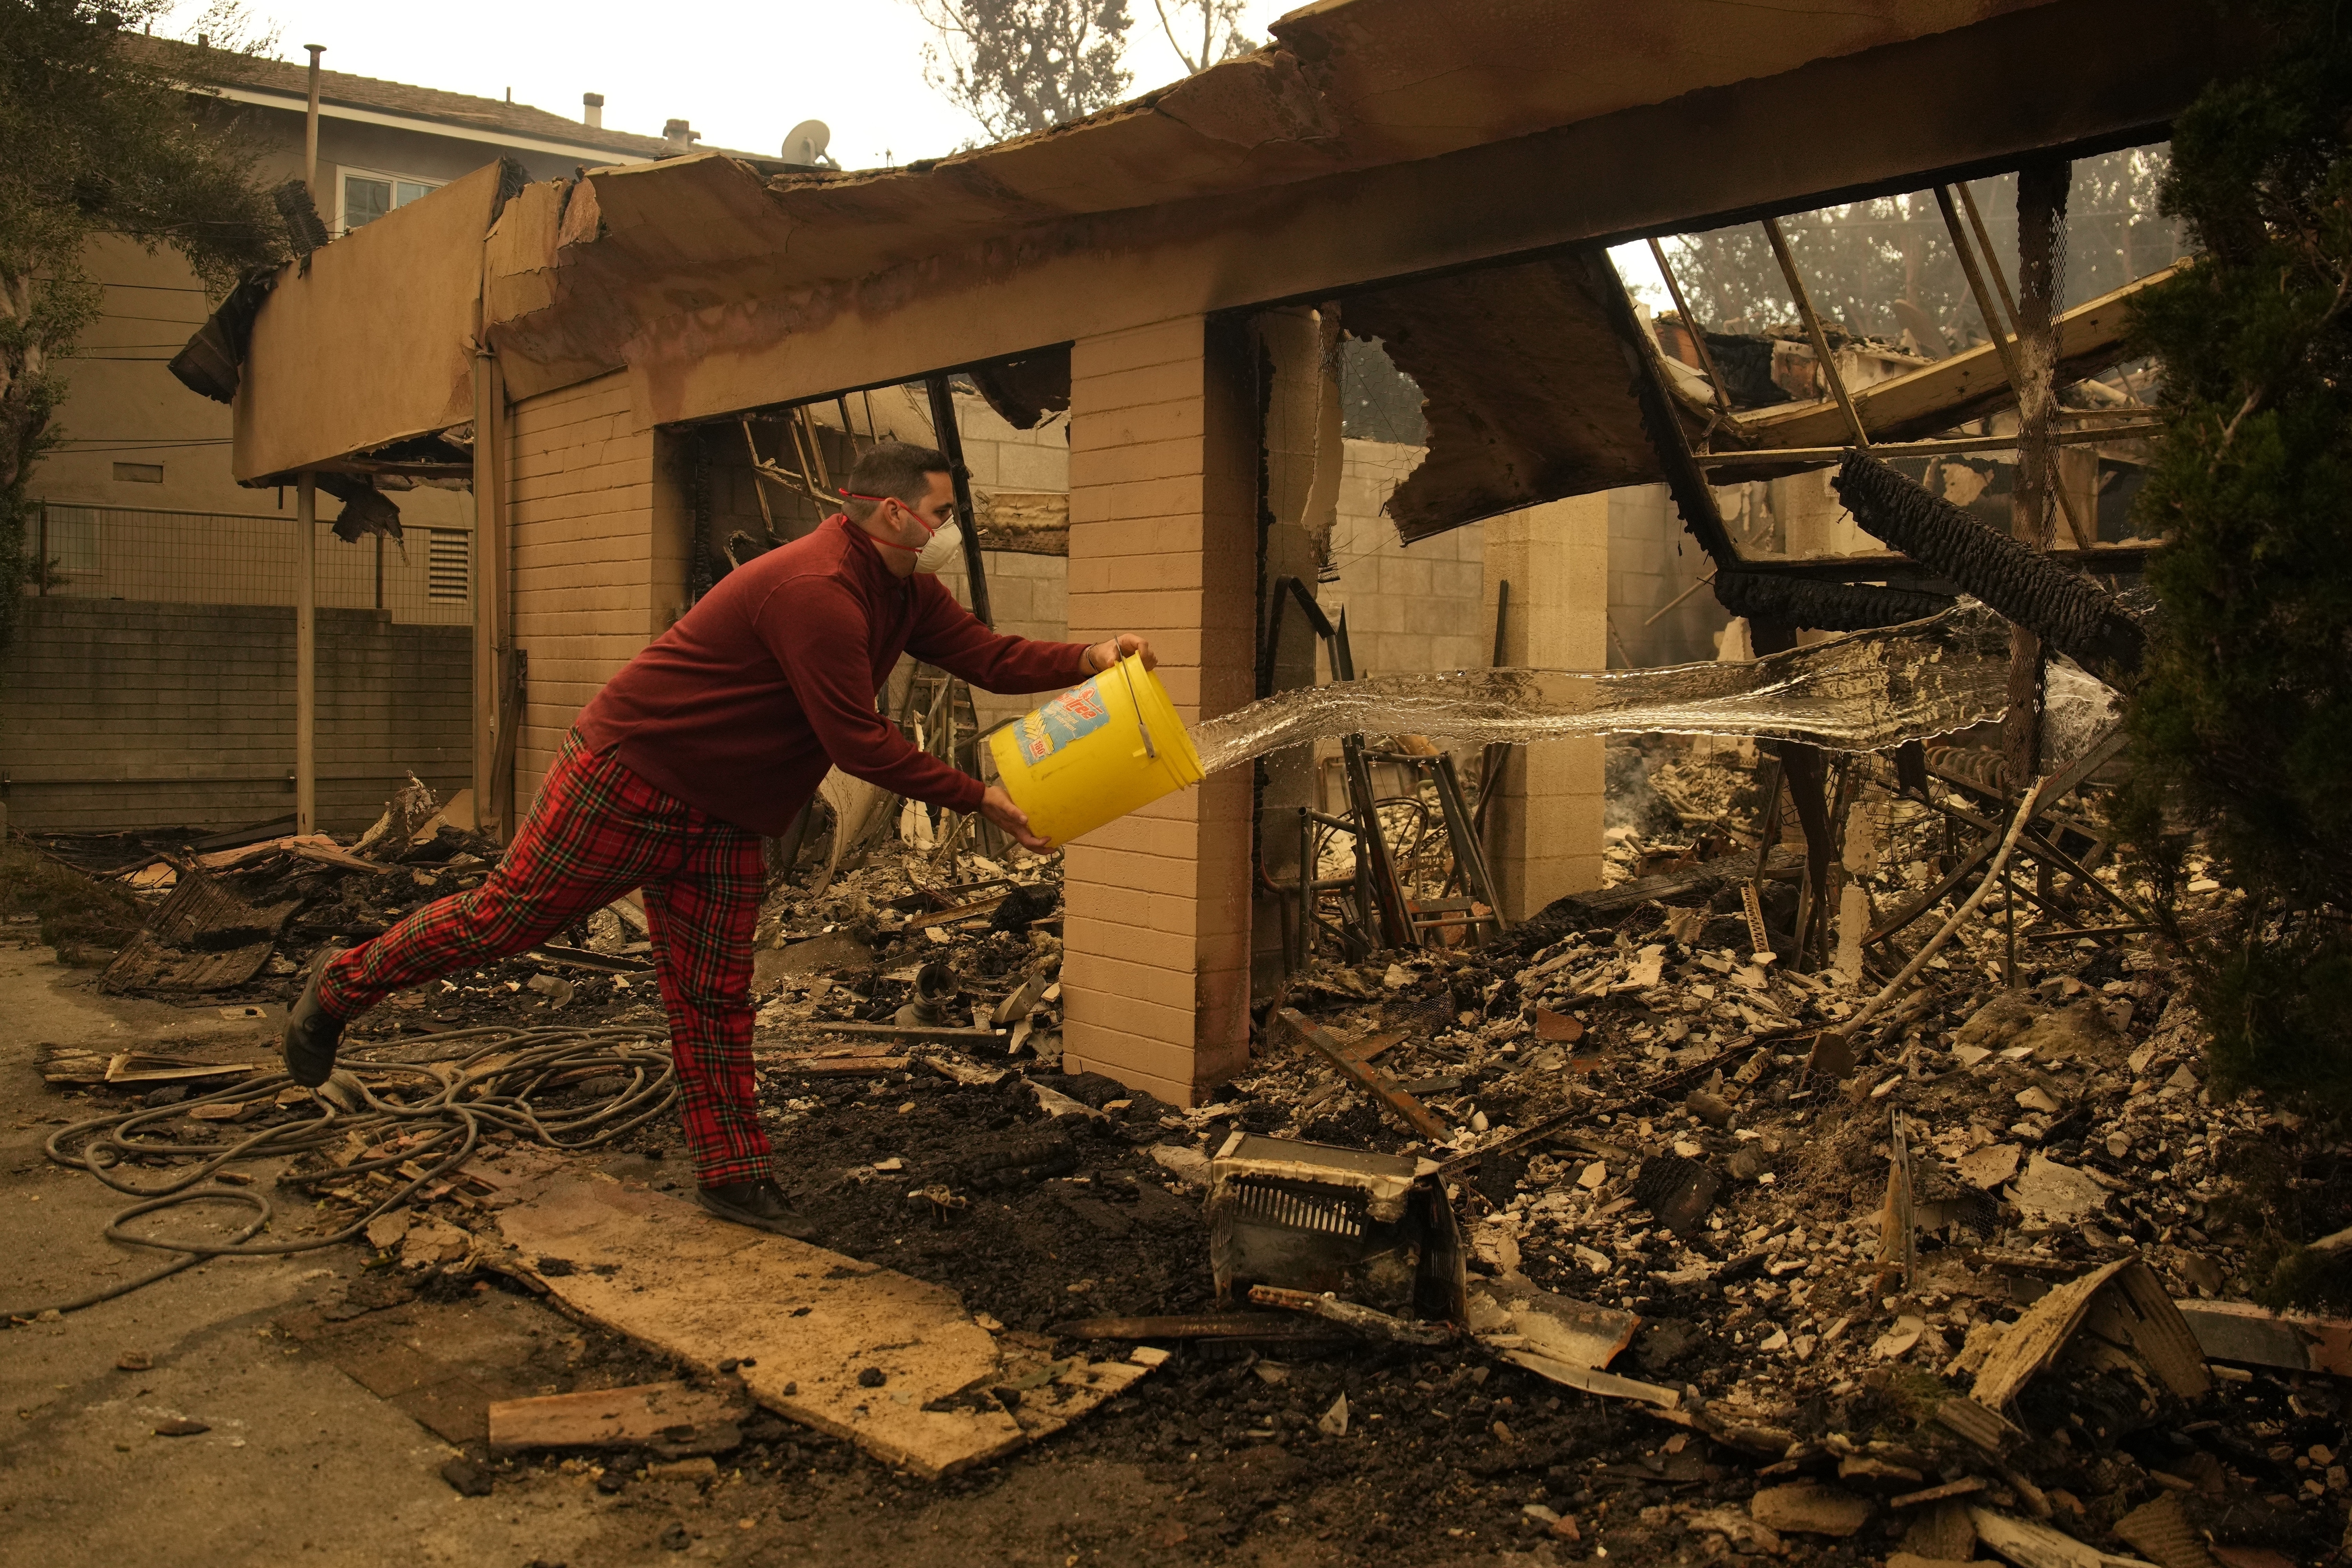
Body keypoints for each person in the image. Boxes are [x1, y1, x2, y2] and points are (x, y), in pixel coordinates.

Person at [279, 440, 1153, 1238]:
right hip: (631, 779)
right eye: (944, 513)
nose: (949, 530)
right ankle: (341, 985)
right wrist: (983, 799)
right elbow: (857, 740)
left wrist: (1088, 658)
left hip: (729, 811)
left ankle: (732, 1175)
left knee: (713, 995)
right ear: (893, 513)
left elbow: (989, 657)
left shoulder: (905, 588)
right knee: (506, 921)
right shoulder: (816, 590)